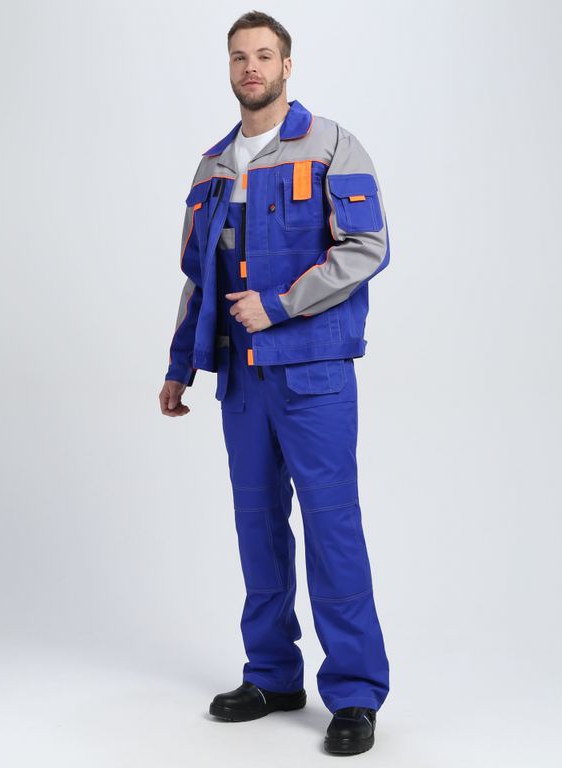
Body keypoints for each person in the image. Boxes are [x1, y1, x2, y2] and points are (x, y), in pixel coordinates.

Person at [158, 10, 391, 757]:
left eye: (264, 55)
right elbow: (199, 277)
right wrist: (179, 365)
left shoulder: (331, 146)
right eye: (239, 57)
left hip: (313, 373)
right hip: (241, 378)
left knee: (331, 528)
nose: (251, 67)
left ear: (287, 66)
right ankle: (272, 674)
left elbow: (367, 246)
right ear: (230, 69)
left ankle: (354, 692)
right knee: (256, 527)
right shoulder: (213, 166)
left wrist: (281, 304)